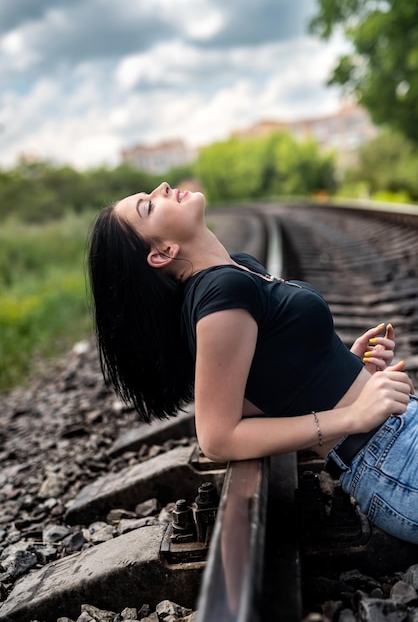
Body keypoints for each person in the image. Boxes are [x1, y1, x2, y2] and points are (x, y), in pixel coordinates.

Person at [88, 181, 418, 543]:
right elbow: (217, 437)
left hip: (397, 435)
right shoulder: (221, 294)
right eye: (148, 206)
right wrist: (353, 415)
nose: (161, 187)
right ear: (163, 252)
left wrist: (344, 367)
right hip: (388, 456)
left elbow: (265, 386)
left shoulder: (237, 271)